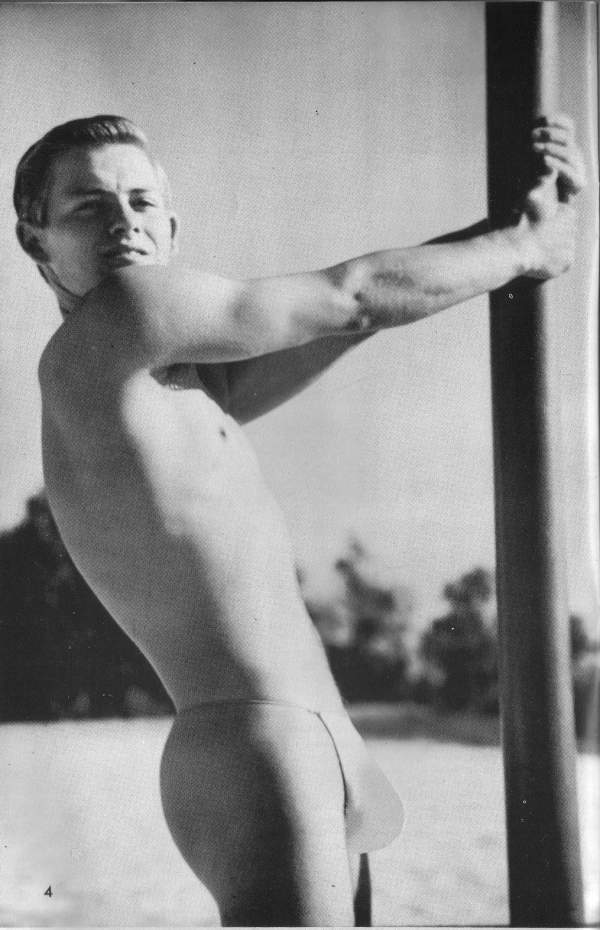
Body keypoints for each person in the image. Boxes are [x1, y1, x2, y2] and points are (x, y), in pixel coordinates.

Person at [14, 113, 584, 925]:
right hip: (258, 740)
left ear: (172, 227)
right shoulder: (123, 318)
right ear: (35, 242)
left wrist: (518, 224)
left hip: (310, 740)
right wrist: (526, 250)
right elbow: (349, 297)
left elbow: (366, 313)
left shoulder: (168, 386)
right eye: (88, 206)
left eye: (141, 202)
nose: (123, 223)